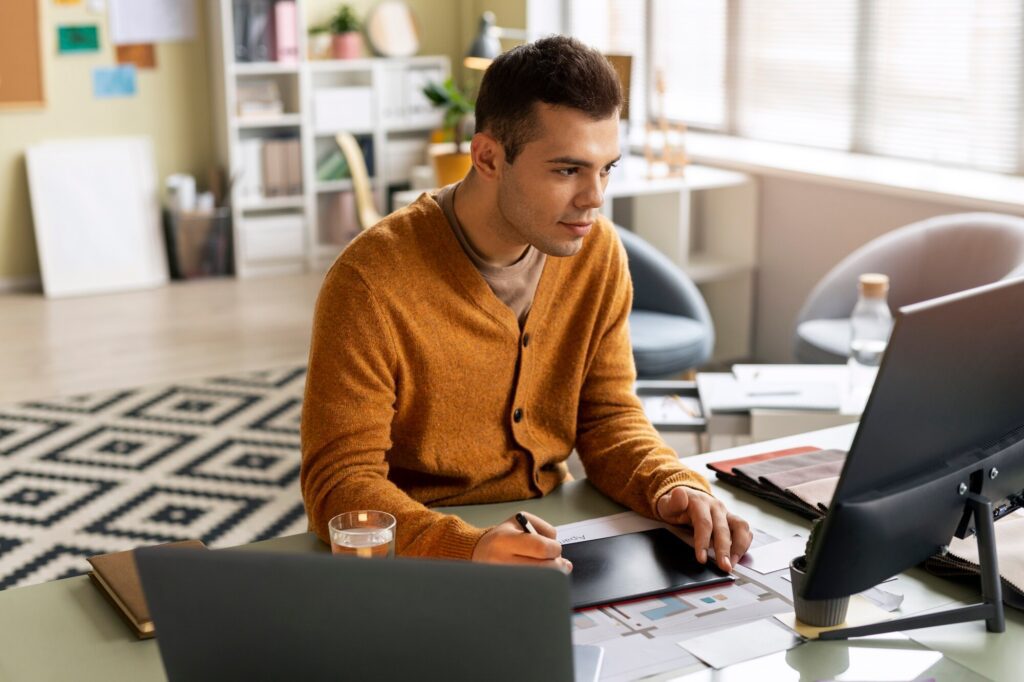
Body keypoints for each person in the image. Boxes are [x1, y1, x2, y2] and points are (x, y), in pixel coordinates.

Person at [300, 35, 752, 574]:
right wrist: (465, 548)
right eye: (567, 170)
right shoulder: (370, 282)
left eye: (606, 167)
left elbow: (608, 417)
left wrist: (669, 484)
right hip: (421, 563)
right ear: (489, 157)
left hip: (557, 542)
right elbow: (339, 481)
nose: (595, 197)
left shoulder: (597, 253)